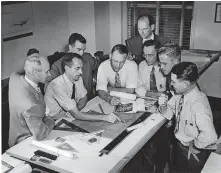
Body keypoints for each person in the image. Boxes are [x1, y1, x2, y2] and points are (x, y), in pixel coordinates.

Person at [158, 62, 218, 173]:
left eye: (174, 82)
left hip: (192, 152)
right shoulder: (180, 95)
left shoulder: (198, 105)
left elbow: (210, 136)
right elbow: (169, 113)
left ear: (185, 84)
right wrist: (163, 106)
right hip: (180, 145)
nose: (171, 84)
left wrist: (196, 145)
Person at [44, 52, 120, 123]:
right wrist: (105, 117)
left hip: (71, 115)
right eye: (77, 68)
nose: (81, 72)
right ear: (66, 68)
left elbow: (84, 97)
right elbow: (76, 114)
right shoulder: (57, 85)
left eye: (81, 68)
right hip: (54, 120)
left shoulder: (77, 78)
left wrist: (76, 109)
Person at [8, 56, 55, 147]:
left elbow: (18, 71)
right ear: (35, 72)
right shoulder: (32, 105)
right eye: (46, 71)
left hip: (13, 137)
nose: (49, 75)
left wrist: (31, 60)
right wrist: (51, 120)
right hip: (25, 143)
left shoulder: (14, 78)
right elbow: (40, 134)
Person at [46, 33, 99, 99]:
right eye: (79, 49)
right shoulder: (57, 66)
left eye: (83, 50)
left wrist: (94, 78)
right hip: (70, 104)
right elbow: (49, 88)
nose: (82, 53)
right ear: (70, 47)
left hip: (89, 99)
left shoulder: (87, 57)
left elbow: (99, 68)